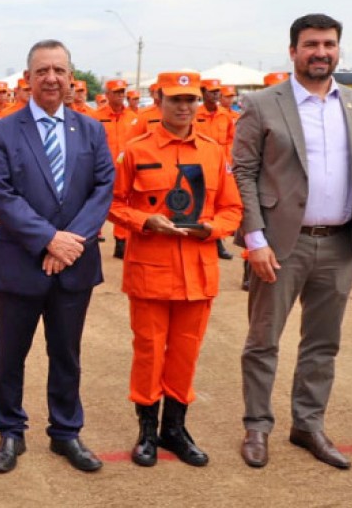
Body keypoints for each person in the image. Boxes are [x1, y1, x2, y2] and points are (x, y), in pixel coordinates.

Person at [233, 13, 352, 470]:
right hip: (279, 245)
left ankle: (308, 424)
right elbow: (244, 172)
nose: (321, 52)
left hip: (339, 245)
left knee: (322, 343)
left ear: (338, 50)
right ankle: (257, 425)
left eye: (329, 44)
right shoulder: (263, 104)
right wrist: (255, 239)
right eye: (311, 44)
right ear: (293, 50)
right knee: (263, 341)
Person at [0, 39, 114, 474]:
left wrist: (69, 241)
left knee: (66, 354)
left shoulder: (92, 130)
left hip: (74, 265)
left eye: (59, 70)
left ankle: (66, 433)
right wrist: (47, 240)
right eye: (42, 71)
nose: (51, 78)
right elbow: (3, 195)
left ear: (71, 78)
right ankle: (9, 431)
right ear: (28, 79)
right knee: (9, 356)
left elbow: (102, 189)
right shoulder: (1, 131)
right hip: (19, 265)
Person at [109, 71, 243, 468]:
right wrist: (143, 221)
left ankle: (175, 428)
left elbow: (232, 209)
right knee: (149, 352)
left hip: (197, 270)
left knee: (185, 352)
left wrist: (213, 229)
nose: (184, 107)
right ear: (159, 101)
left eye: (190, 100)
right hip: (151, 266)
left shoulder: (215, 152)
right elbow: (113, 203)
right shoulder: (135, 150)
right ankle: (147, 431)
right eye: (175, 100)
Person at [94, 79, 136, 259]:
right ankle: (92, 234)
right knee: (96, 201)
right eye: (116, 92)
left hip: (126, 168)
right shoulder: (96, 117)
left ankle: (121, 241)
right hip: (102, 167)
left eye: (122, 91)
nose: (120, 95)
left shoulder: (134, 117)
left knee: (124, 204)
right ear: (107, 94)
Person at [195, 79, 237, 260]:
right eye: (212, 91)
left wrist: (229, 162)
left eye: (218, 91)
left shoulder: (226, 115)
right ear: (203, 93)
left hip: (220, 166)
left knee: (220, 204)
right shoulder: (195, 114)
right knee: (201, 203)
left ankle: (218, 241)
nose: (216, 95)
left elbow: (231, 140)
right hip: (198, 164)